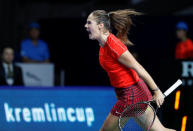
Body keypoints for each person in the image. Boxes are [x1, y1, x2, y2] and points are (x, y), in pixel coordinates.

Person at [85, 9, 175, 131]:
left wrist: (156, 91)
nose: (86, 26)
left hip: (131, 95)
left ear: (100, 25)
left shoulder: (113, 45)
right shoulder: (103, 46)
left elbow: (138, 68)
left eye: (89, 23)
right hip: (133, 93)